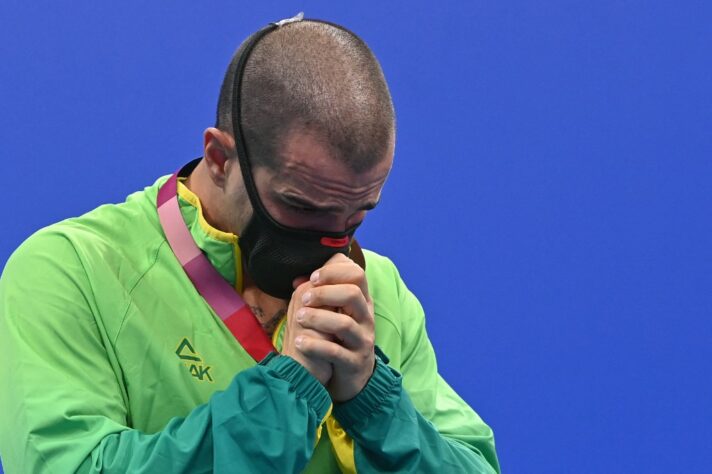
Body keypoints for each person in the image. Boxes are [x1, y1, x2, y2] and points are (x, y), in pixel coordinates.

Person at [0, 14, 500, 474]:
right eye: (301, 206)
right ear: (219, 158)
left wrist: (376, 405)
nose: (333, 241)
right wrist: (283, 398)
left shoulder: (378, 292)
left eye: (358, 213)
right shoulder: (70, 273)